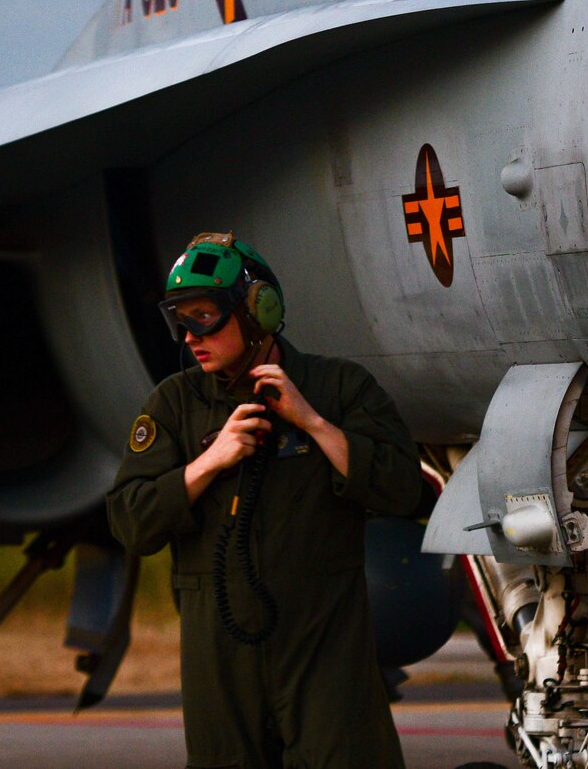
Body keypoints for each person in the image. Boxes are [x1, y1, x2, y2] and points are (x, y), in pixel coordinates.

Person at [107, 232, 427, 769]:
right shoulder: (174, 404)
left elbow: (404, 490)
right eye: (182, 321)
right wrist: (210, 463)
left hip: (324, 646)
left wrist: (314, 424)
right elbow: (131, 522)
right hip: (219, 655)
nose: (191, 337)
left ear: (258, 310)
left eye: (204, 316)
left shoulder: (341, 387)